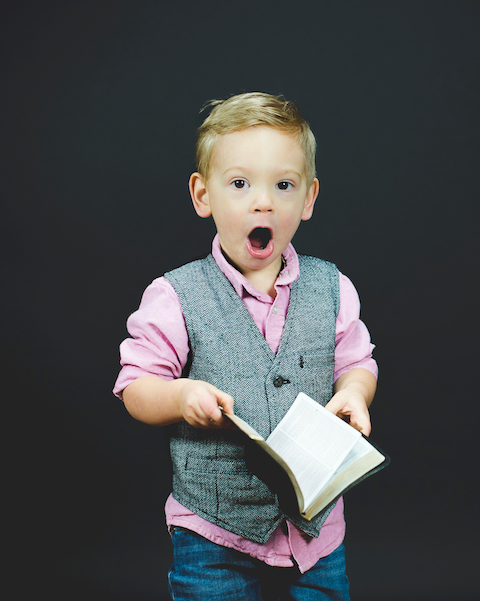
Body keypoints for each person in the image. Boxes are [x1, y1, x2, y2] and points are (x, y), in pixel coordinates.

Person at [113, 92, 378, 601]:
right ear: (202, 195)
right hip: (214, 533)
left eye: (284, 185)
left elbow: (357, 361)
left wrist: (355, 392)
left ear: (308, 198)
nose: (264, 202)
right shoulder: (175, 295)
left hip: (315, 536)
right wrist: (178, 396)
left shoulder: (332, 287)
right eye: (240, 184)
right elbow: (134, 386)